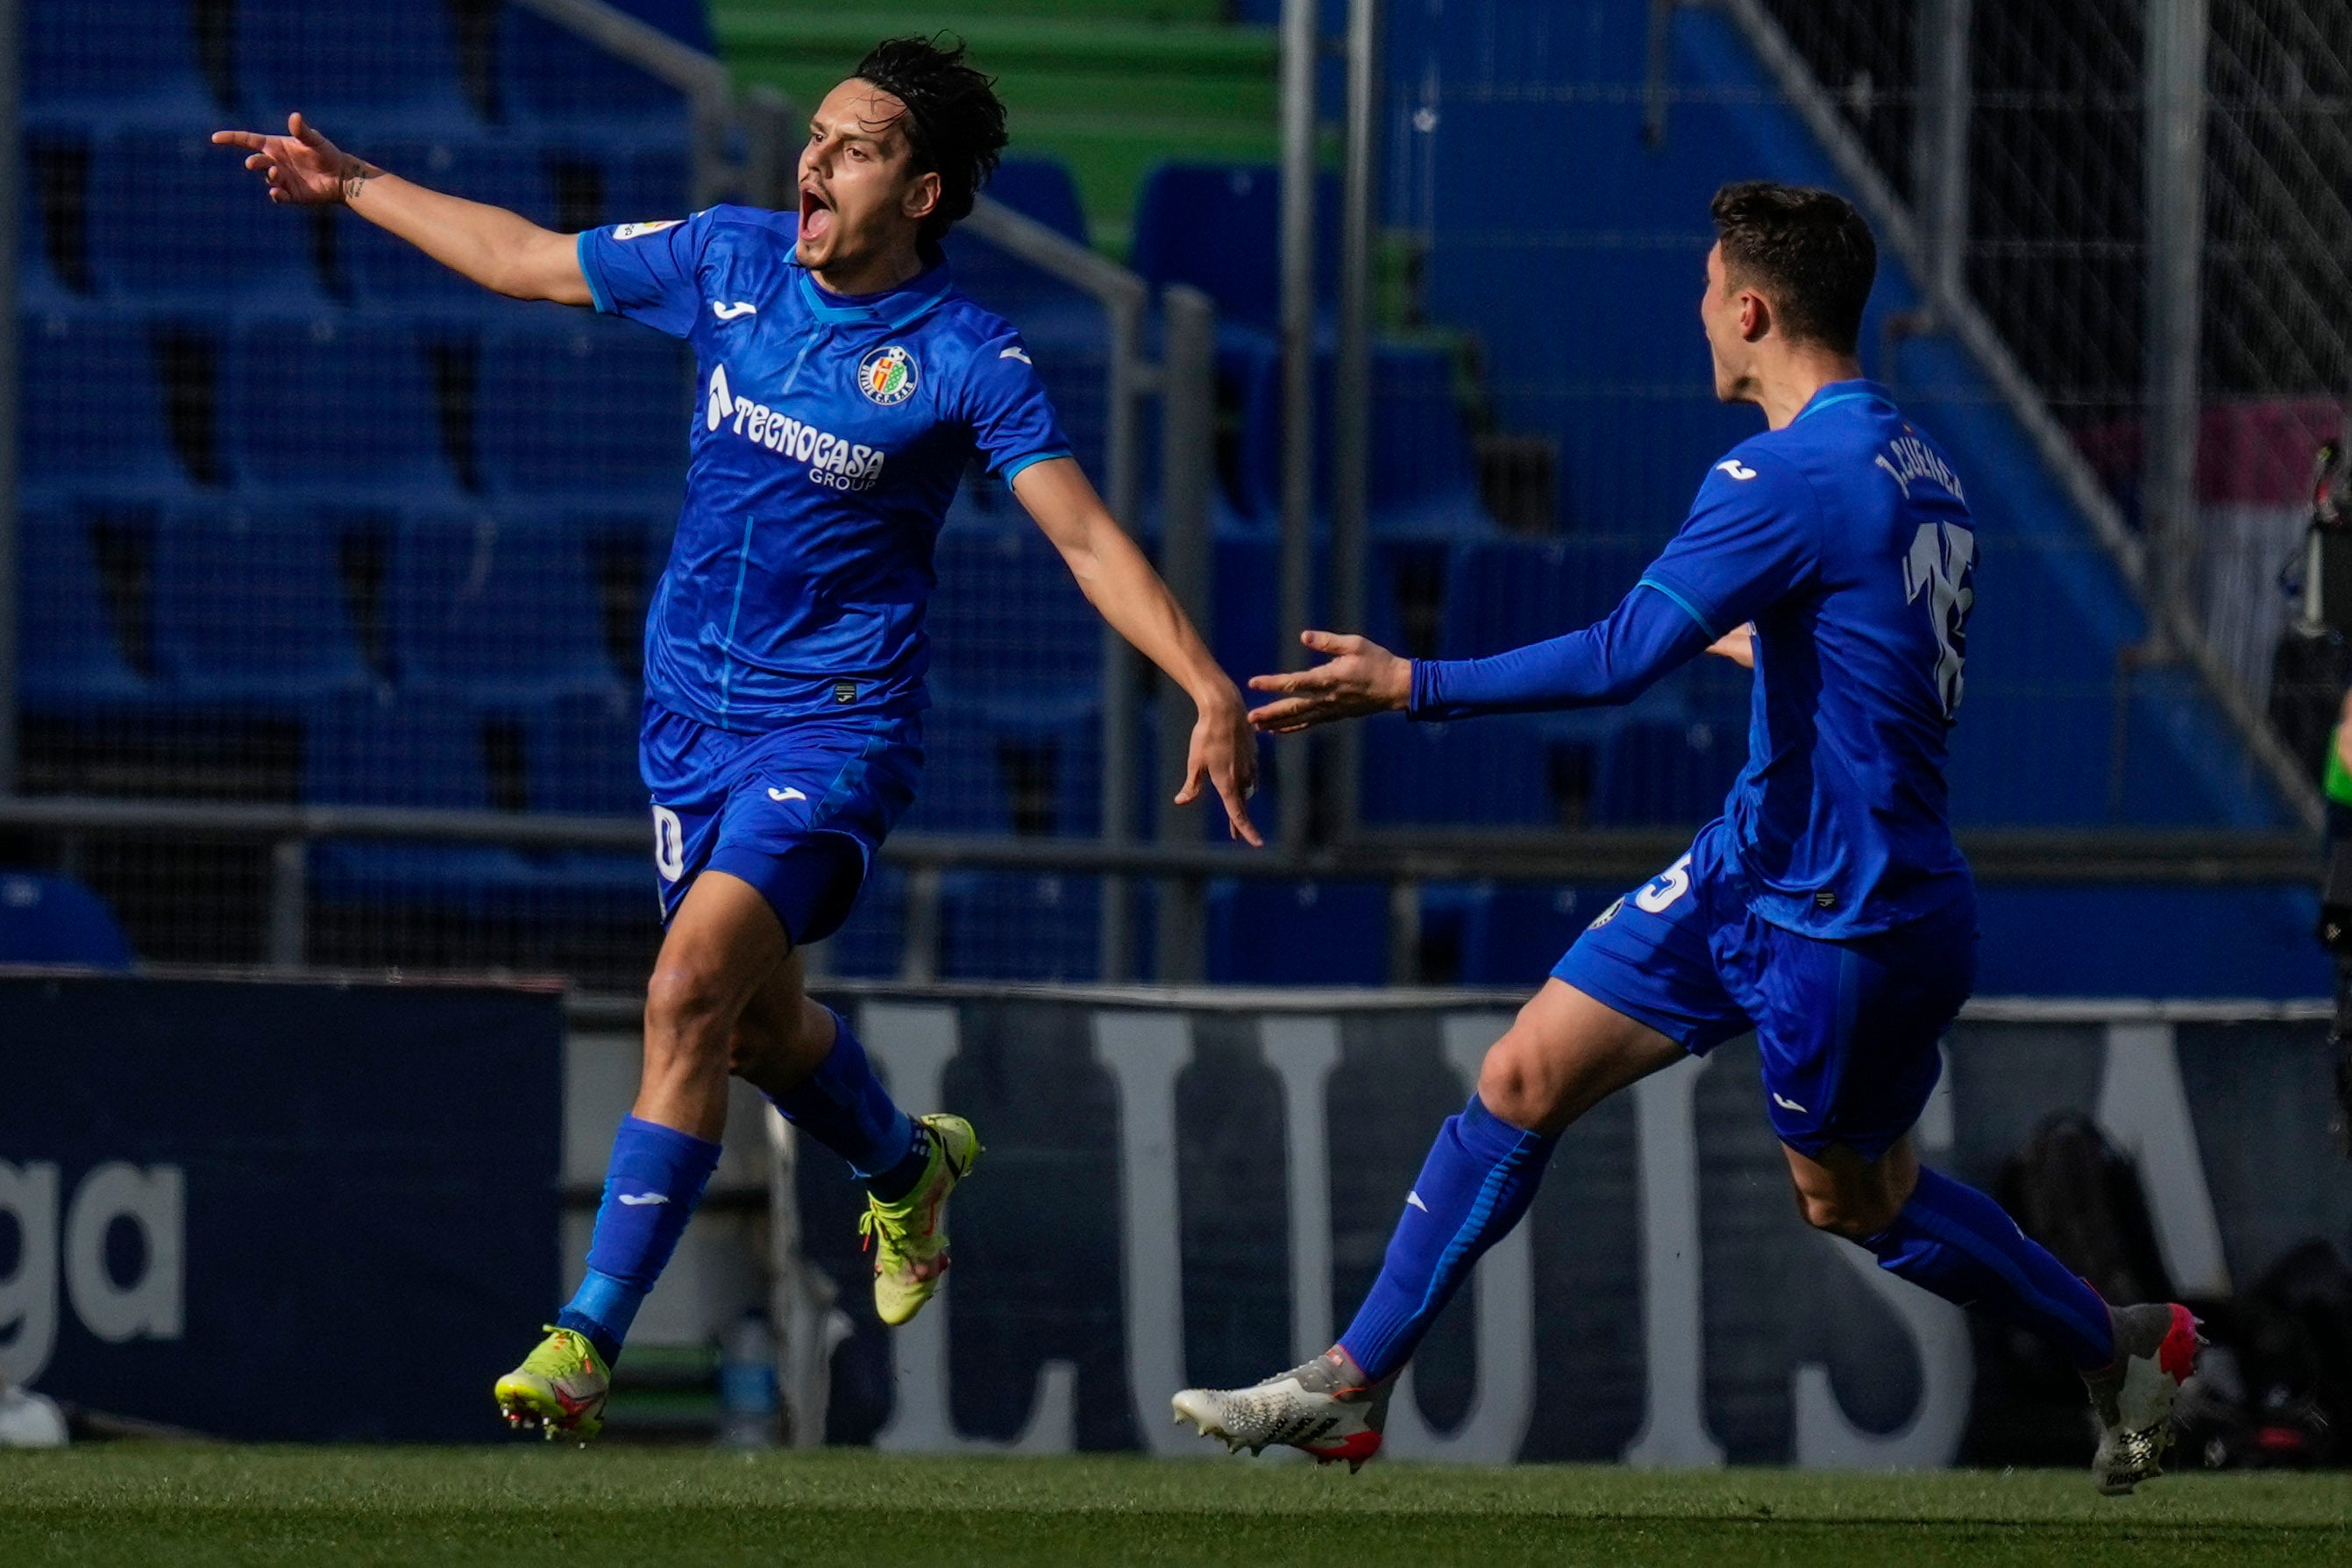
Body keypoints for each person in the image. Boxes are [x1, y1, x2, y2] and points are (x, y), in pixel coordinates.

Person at [217, 35, 1261, 1441]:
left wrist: (1205, 679)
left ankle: (586, 1335)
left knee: (683, 987)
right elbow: (528, 258)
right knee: (758, 1029)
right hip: (686, 725)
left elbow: (1082, 539)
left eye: (858, 146)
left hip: (836, 727)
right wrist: (358, 184)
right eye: (818, 134)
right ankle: (905, 1161)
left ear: (926, 192)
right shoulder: (728, 257)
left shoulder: (963, 358)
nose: (816, 159)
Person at [1172, 181, 2199, 1494]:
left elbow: (1614, 661)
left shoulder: (1783, 472)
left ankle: (2119, 1343)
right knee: (1521, 1076)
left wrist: (1406, 683)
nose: (1699, 313)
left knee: (1855, 1200)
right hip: (1752, 867)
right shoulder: (1914, 461)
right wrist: (1756, 641)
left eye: (1709, 291)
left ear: (1753, 310)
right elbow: (1853, 640)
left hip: (1848, 913)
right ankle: (1349, 1387)